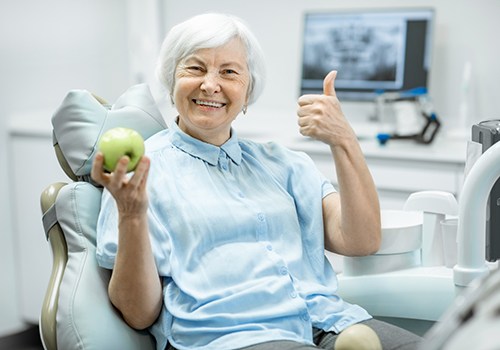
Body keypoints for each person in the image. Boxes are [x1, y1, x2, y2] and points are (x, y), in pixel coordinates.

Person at [92, 13, 421, 350]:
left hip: (329, 321)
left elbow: (361, 240)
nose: (210, 84)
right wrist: (131, 214)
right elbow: (139, 313)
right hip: (233, 337)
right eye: (194, 68)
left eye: (229, 72)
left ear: (248, 92)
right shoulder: (141, 175)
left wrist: (344, 141)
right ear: (171, 80)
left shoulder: (284, 163)